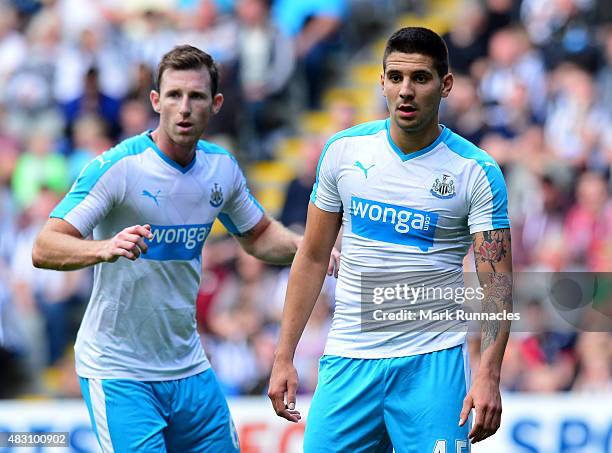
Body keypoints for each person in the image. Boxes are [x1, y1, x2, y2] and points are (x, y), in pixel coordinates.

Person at [32, 45, 338, 452]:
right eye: (174, 95)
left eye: (196, 96)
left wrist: (308, 248)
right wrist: (103, 248)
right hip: (119, 371)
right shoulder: (119, 168)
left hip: (188, 367)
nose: (184, 107)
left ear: (215, 104)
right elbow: (44, 246)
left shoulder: (221, 169)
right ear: (156, 101)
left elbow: (259, 236)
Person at [268, 27, 513, 452]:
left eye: (420, 78)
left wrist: (488, 374)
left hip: (432, 365)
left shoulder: (476, 171)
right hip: (349, 361)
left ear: (445, 85)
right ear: (381, 81)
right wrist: (284, 354)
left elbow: (497, 283)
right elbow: (311, 256)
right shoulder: (344, 152)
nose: (406, 90)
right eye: (395, 77)